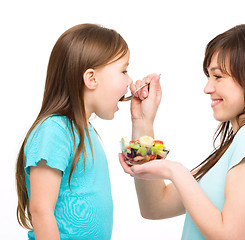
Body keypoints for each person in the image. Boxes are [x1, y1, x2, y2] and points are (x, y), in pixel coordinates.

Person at [120, 23, 245, 239]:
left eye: (218, 76)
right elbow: (155, 207)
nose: (207, 88)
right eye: (208, 76)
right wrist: (142, 121)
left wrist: (175, 171)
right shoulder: (237, 147)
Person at [15, 23, 159, 240]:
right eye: (124, 70)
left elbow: (143, 176)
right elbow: (41, 212)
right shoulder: (54, 131)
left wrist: (142, 120)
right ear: (91, 79)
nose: (130, 81)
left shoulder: (86, 130)